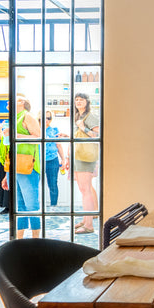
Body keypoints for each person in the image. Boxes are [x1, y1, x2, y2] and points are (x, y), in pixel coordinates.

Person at [2, 96, 41, 238]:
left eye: (13, 99)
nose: (8, 101)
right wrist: (7, 174)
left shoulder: (27, 116)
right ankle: (19, 239)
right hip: (14, 167)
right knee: (19, 206)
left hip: (28, 167)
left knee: (31, 205)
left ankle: (36, 239)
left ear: (22, 103)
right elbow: (9, 147)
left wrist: (14, 134)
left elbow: (38, 138)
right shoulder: (13, 119)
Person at [67, 93, 98, 234]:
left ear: (87, 102)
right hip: (78, 155)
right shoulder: (77, 116)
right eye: (76, 100)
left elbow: (97, 135)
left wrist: (83, 128)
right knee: (83, 190)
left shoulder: (90, 116)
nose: (78, 102)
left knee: (86, 190)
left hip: (85, 157)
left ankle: (89, 225)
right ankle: (86, 220)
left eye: (81, 99)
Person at [43, 110, 66, 207]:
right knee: (34, 184)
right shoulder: (35, 129)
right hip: (38, 160)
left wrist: (63, 159)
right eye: (44, 117)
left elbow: (58, 145)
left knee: (52, 184)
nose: (46, 120)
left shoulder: (54, 130)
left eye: (49, 118)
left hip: (52, 160)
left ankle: (53, 206)